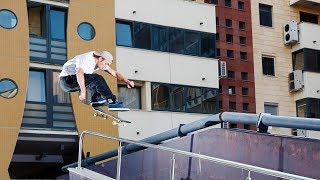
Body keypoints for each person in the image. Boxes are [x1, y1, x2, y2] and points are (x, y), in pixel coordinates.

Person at [59, 51, 134, 110]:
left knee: (94, 83)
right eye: (106, 63)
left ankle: (95, 100)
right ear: (101, 58)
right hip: (67, 80)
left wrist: (126, 81)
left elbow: (114, 73)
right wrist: (83, 91)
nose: (105, 66)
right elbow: (79, 72)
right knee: (97, 78)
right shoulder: (88, 58)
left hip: (74, 80)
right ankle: (111, 101)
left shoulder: (99, 62)